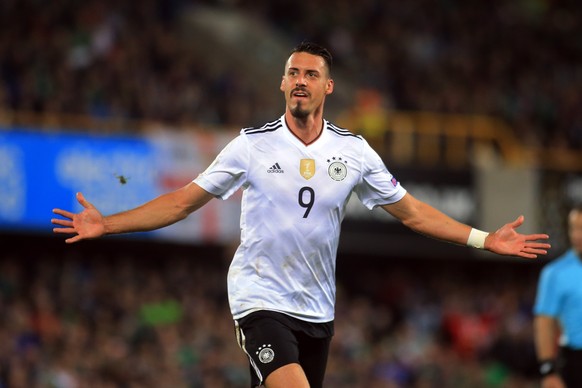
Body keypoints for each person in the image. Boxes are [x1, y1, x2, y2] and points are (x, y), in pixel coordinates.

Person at [52, 41, 551, 388]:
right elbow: (183, 201)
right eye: (293, 73)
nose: (300, 81)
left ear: (328, 87)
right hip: (259, 298)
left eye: (311, 74)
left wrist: (485, 240)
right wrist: (108, 223)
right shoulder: (250, 146)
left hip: (317, 310)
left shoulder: (354, 152)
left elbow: (414, 213)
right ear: (282, 83)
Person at [533, 204, 582, 388]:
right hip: (575, 361)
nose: (576, 235)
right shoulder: (555, 273)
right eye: (573, 228)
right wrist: (548, 370)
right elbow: (544, 322)